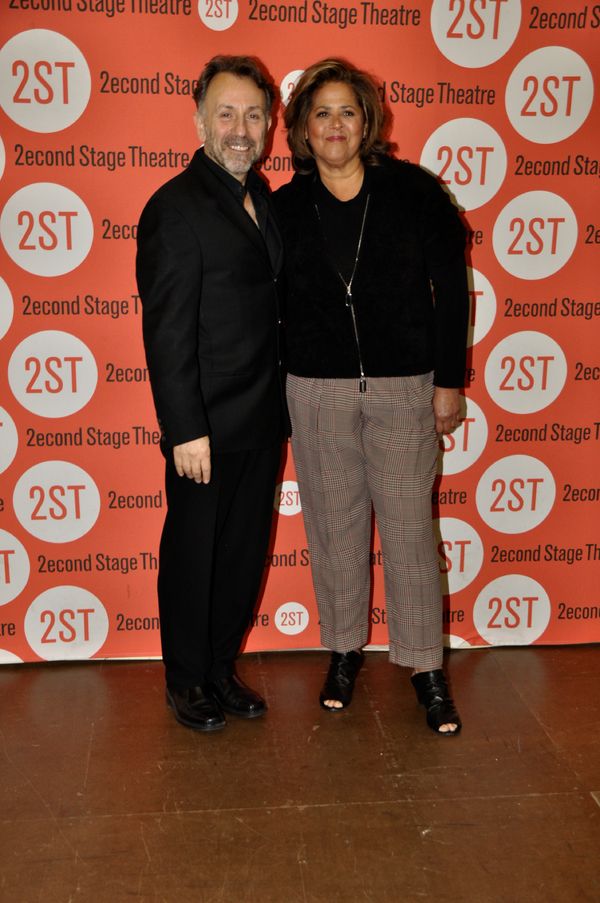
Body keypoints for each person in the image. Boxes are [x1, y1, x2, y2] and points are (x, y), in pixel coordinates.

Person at [273, 59, 469, 735]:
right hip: (317, 391)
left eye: (347, 111)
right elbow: (267, 307)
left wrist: (449, 380)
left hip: (404, 387)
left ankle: (426, 666)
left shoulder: (416, 193)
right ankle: (344, 650)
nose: (335, 125)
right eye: (321, 113)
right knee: (334, 530)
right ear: (303, 127)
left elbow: (452, 289)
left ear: (369, 122)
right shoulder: (282, 207)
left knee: (412, 531)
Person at [136, 55, 286, 732]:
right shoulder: (174, 208)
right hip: (206, 426)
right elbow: (166, 331)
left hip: (263, 416)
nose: (241, 128)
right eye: (226, 113)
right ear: (198, 119)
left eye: (254, 114)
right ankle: (186, 679)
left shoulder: (267, 200)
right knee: (195, 555)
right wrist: (184, 427)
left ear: (270, 124)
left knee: (242, 553)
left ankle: (221, 669)